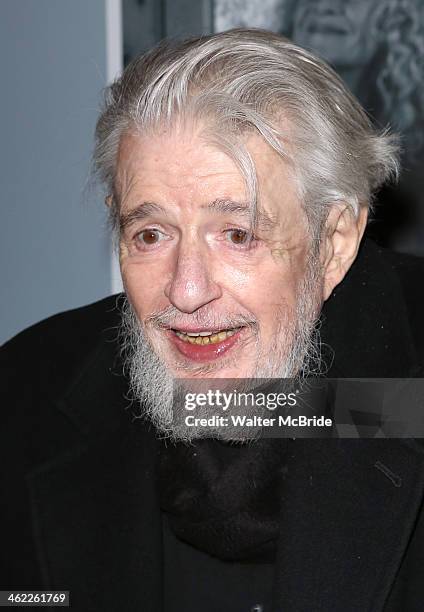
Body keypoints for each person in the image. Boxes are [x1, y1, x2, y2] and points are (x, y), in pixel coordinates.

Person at [1, 28, 424, 612]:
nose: (187, 290)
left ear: (334, 241)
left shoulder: (403, 394)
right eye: (150, 235)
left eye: (238, 234)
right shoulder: (26, 392)